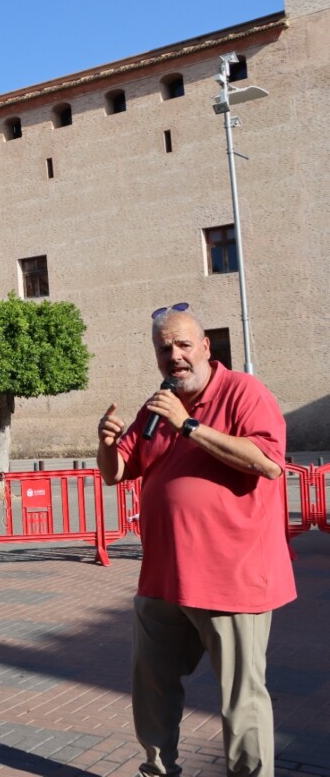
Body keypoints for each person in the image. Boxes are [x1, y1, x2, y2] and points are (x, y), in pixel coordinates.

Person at [97, 306, 294, 777]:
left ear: (207, 347)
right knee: (151, 685)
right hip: (163, 578)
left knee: (241, 698)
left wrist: (188, 425)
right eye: (164, 348)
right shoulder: (157, 405)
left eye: (183, 345)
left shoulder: (244, 391)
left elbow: (268, 462)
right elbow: (116, 473)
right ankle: (157, 769)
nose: (174, 356)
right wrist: (105, 445)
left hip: (233, 577)